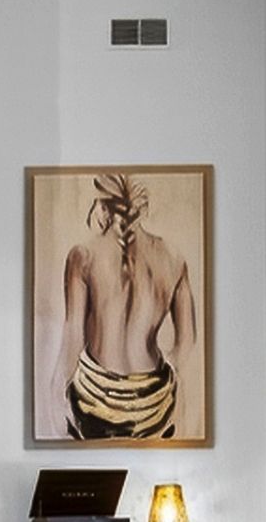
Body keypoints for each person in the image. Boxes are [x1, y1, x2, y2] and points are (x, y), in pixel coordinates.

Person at [58, 171, 195, 440]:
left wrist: (59, 388)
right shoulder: (173, 259)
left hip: (95, 399)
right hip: (154, 403)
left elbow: (73, 334)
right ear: (143, 207)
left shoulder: (83, 255)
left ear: (103, 205)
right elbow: (187, 340)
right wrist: (159, 387)